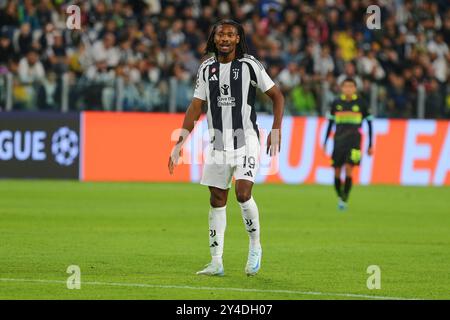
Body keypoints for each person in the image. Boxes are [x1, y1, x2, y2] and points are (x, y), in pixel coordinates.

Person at [168, 20, 284, 276]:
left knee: (243, 194)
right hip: (218, 143)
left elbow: (277, 96)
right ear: (214, 38)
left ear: (238, 39)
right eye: (221, 34)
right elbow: (195, 107)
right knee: (216, 199)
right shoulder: (206, 68)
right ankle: (216, 261)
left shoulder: (250, 65)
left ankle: (255, 246)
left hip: (246, 141)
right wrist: (179, 143)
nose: (225, 38)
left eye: (230, 34)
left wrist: (276, 129)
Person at [323, 78, 373, 210]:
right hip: (338, 141)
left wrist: (370, 145)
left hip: (355, 142)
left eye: (351, 86)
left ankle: (345, 196)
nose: (348, 89)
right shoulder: (336, 103)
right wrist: (325, 141)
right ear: (342, 88)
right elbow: (330, 124)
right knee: (337, 171)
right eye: (346, 86)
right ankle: (340, 196)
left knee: (350, 169)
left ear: (355, 88)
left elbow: (370, 123)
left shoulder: (361, 103)